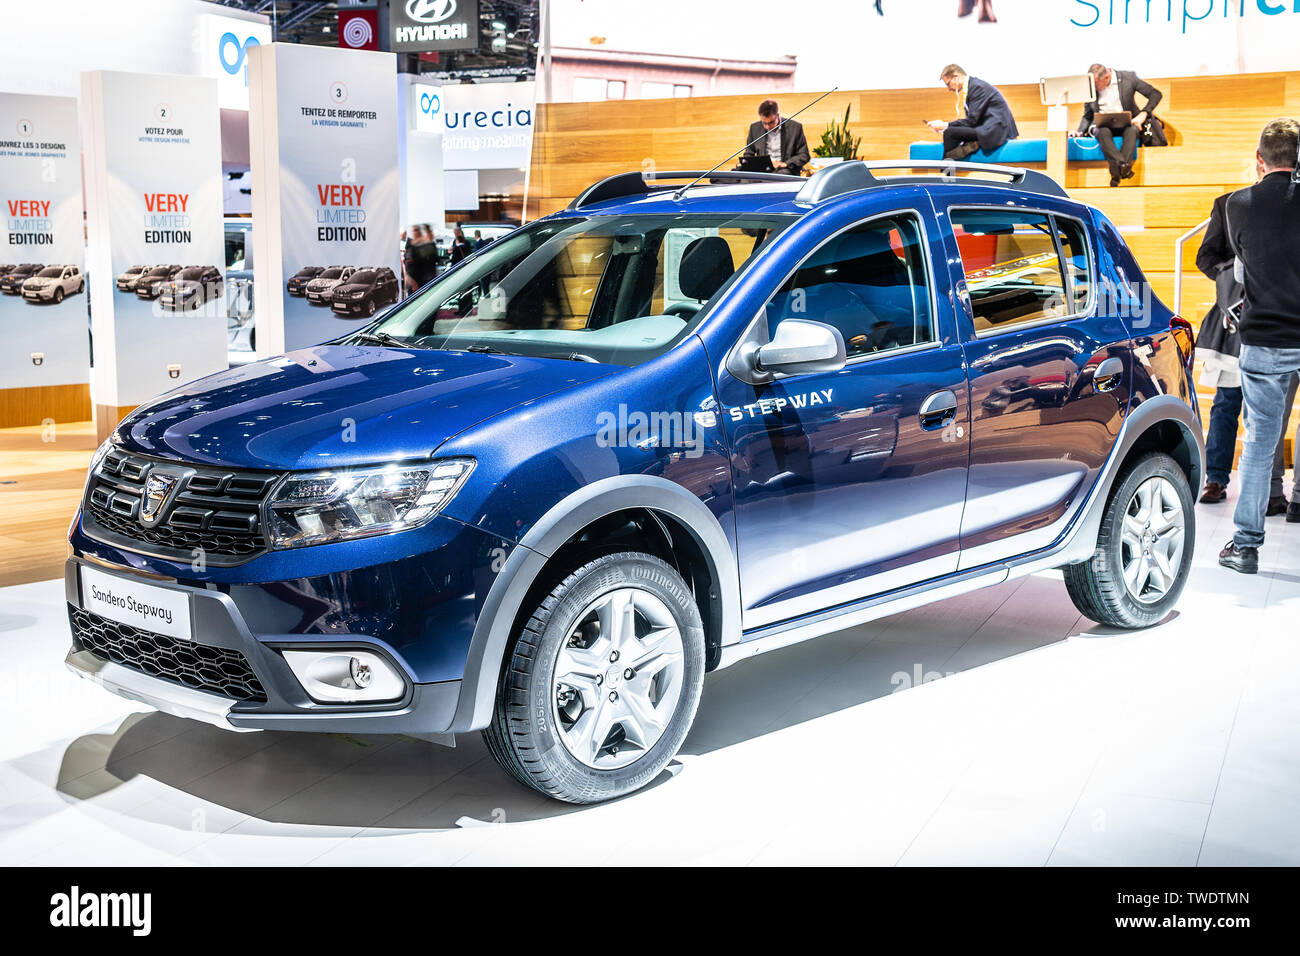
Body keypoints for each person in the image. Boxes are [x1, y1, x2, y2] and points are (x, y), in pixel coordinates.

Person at [1219, 119, 1300, 574]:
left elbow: (1243, 265)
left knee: (1259, 445)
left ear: (1259, 160)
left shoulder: (1238, 204)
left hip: (1264, 339)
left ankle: (1245, 547)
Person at [1195, 189, 1300, 513]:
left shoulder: (1291, 203)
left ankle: (1275, 495)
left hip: (1278, 318)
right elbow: (1206, 257)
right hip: (1234, 318)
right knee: (1227, 403)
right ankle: (1217, 478)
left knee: (1270, 414)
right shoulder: (1229, 204)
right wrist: (1236, 277)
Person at [1076, 64, 1163, 188]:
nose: (1093, 87)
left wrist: (1144, 114)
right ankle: (1124, 166)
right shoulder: (1091, 87)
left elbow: (1156, 94)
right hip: (1103, 126)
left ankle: (1116, 173)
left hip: (1128, 123)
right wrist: (1080, 131)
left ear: (1106, 77)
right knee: (1101, 132)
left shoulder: (1128, 78)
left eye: (1096, 84)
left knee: (1132, 131)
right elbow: (1088, 116)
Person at [926, 65, 1018, 160]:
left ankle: (948, 170)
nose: (948, 89)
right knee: (953, 134)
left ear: (956, 77)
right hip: (988, 127)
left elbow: (972, 121)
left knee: (950, 133)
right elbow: (973, 121)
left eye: (948, 84)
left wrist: (946, 125)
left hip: (996, 130)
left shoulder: (976, 87)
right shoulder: (973, 86)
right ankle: (954, 162)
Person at [743, 99, 810, 176]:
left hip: (786, 169)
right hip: (763, 170)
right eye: (764, 123)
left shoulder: (795, 128)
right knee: (743, 179)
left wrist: (785, 164)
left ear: (778, 115)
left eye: (771, 123)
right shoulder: (755, 128)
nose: (767, 127)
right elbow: (748, 154)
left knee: (781, 176)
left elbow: (804, 155)